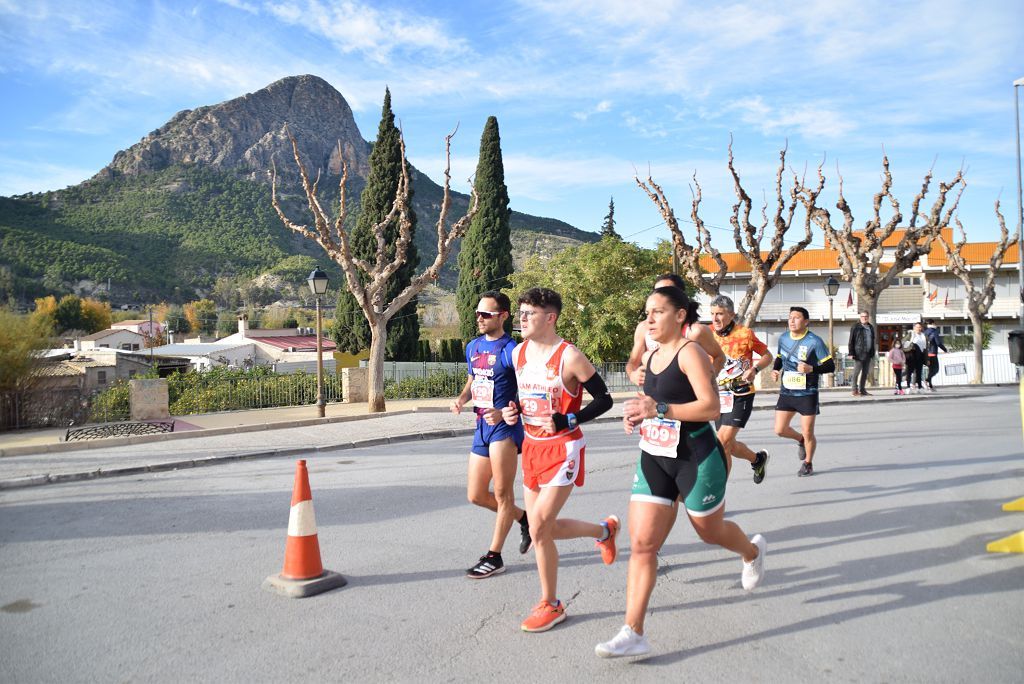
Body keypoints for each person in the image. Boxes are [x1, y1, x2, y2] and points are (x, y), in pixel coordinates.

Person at [595, 285, 766, 658]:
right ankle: (633, 631)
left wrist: (659, 410)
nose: (649, 319)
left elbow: (708, 408)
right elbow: (653, 403)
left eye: (657, 312)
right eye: (646, 312)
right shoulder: (653, 354)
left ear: (680, 316)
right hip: (655, 456)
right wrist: (636, 414)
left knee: (710, 532)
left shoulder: (691, 354)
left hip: (696, 457)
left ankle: (751, 552)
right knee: (642, 545)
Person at [500, 287, 616, 633]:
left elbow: (605, 399)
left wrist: (570, 418)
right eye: (520, 313)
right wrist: (512, 411)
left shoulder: (569, 356)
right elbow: (524, 398)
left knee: (538, 526)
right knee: (541, 531)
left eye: (529, 314)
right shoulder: (518, 354)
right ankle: (604, 531)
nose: (521, 319)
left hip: (564, 447)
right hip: (533, 447)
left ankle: (550, 603)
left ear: (550, 318)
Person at [451, 291, 531, 579]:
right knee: (475, 495)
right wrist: (461, 398)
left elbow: (533, 388)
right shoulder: (473, 346)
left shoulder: (512, 350)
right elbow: (474, 379)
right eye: (477, 314)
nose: (480, 318)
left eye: (486, 314)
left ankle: (494, 556)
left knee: (502, 493)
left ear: (503, 316)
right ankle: (525, 519)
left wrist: (510, 410)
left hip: (504, 428)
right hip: (481, 427)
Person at [708, 294, 774, 483]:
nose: (715, 318)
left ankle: (718, 495)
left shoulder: (745, 334)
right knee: (727, 445)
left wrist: (755, 369)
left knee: (722, 442)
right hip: (719, 396)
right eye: (712, 314)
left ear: (731, 314)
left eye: (720, 314)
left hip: (741, 393)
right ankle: (757, 459)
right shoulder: (707, 334)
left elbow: (767, 356)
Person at [626, 274, 724, 388]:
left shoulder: (695, 331)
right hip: (656, 399)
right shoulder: (644, 328)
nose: (661, 296)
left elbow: (719, 357)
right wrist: (633, 375)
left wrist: (706, 382)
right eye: (657, 291)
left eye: (667, 292)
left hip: (687, 401)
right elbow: (633, 362)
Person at [771, 307, 835, 477]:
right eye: (790, 317)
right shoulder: (783, 338)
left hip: (808, 392)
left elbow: (830, 365)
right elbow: (780, 357)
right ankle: (800, 440)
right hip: (787, 391)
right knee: (780, 429)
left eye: (796, 318)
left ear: (806, 321)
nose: (792, 321)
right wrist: (775, 370)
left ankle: (807, 463)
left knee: (808, 431)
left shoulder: (815, 341)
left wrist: (811, 368)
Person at [848, 310, 876, 396]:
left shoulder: (870, 327)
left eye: (866, 316)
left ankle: (862, 390)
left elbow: (872, 340)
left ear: (868, 317)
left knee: (865, 373)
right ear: (860, 317)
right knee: (856, 373)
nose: (864, 318)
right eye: (862, 316)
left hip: (868, 353)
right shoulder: (855, 327)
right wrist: (851, 353)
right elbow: (851, 340)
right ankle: (854, 390)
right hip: (858, 353)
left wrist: (872, 352)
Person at [924, 319, 948, 391]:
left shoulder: (925, 332)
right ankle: (927, 380)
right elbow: (938, 343)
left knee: (930, 370)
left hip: (926, 354)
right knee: (935, 370)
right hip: (933, 353)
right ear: (933, 323)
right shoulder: (934, 331)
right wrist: (945, 349)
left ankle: (930, 386)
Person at [908, 322, 927, 393]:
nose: (918, 328)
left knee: (919, 371)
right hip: (913, 355)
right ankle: (910, 386)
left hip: (921, 355)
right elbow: (906, 343)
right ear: (914, 328)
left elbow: (925, 347)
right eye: (917, 327)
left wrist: (926, 357)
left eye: (920, 327)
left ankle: (919, 386)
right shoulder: (912, 334)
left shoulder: (923, 335)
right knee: (910, 371)